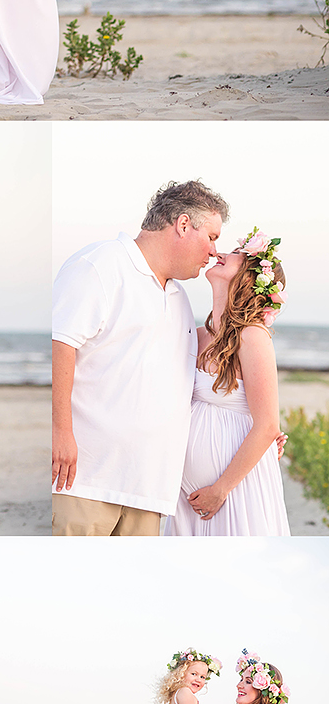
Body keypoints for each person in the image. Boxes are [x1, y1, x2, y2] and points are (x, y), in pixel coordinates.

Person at [51, 180, 229, 536]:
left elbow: (187, 388)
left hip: (150, 489)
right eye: (211, 236)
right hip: (87, 479)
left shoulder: (179, 299)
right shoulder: (100, 265)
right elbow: (62, 344)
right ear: (182, 224)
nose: (213, 251)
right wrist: (61, 433)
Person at [163, 233, 290, 536]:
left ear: (250, 277)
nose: (220, 252)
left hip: (233, 492)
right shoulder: (194, 334)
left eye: (237, 253)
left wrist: (220, 489)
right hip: (185, 496)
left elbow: (268, 425)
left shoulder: (252, 336)